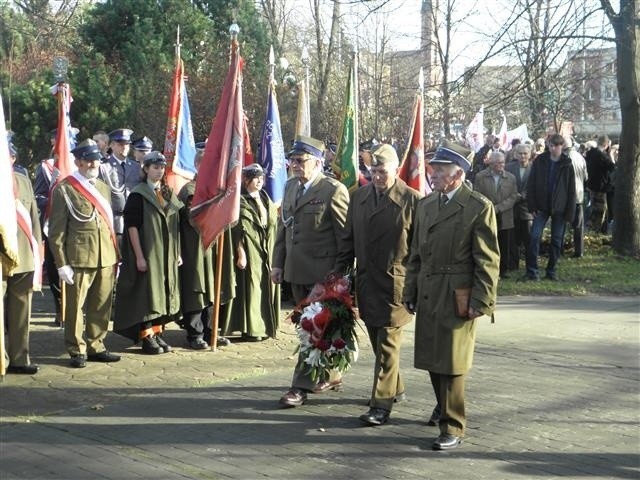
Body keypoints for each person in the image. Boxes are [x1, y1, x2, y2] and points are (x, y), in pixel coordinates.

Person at [402, 140, 500, 451]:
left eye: (439, 170)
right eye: (433, 168)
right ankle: (443, 409)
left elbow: (487, 260)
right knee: (433, 358)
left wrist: (481, 301)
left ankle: (453, 424)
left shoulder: (477, 207)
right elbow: (416, 254)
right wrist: (410, 289)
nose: (432, 174)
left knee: (453, 363)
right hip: (430, 291)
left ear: (457, 174)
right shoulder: (427, 205)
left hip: (458, 292)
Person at [333, 143, 421, 426]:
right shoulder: (358, 197)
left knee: (387, 347)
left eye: (382, 171)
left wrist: (416, 287)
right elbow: (347, 240)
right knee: (378, 342)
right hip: (367, 283)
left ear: (396, 169)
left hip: (397, 286)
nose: (377, 177)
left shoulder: (413, 201)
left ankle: (380, 405)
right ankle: (397, 388)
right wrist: (339, 276)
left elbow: (420, 250)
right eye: (373, 171)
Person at [272, 135, 350, 408]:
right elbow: (284, 227)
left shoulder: (333, 190)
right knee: (319, 329)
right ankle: (333, 373)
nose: (294, 164)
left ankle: (299, 387)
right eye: (292, 160)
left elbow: (344, 237)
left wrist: (339, 277)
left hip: (322, 273)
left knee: (311, 329)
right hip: (296, 269)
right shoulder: (291, 186)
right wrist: (278, 262)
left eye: (300, 160)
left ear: (317, 162)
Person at [47, 139, 121, 368]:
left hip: (105, 256)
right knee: (74, 306)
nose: (94, 163)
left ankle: (96, 345)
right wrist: (61, 263)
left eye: (96, 159)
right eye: (88, 160)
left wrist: (117, 255)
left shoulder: (102, 188)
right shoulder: (65, 189)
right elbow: (56, 231)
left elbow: (107, 224)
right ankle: (76, 348)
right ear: (78, 161)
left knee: (102, 304)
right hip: (78, 257)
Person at [114, 151, 182, 354]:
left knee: (162, 294)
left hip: (167, 254)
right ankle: (146, 336)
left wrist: (177, 252)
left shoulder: (167, 193)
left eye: (162, 167)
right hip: (148, 253)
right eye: (155, 167)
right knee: (147, 295)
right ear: (145, 169)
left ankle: (158, 333)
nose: (159, 171)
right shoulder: (138, 194)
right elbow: (132, 227)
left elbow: (174, 225)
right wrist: (140, 256)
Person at [177, 150, 230, 349]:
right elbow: (195, 218)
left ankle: (211, 330)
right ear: (200, 165)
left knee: (212, 288)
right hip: (195, 248)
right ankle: (195, 333)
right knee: (196, 289)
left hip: (211, 247)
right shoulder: (190, 189)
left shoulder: (215, 189)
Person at [221, 163, 280, 341]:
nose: (260, 182)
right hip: (250, 250)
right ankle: (252, 328)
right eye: (256, 178)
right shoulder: (239, 201)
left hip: (267, 250)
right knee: (252, 288)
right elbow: (235, 230)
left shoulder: (265, 197)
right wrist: (241, 253)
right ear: (246, 179)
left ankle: (266, 326)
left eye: (262, 178)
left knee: (267, 286)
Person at [4, 142, 42, 374]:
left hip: (24, 256)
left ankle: (19, 358)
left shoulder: (24, 182)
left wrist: (37, 251)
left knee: (21, 311)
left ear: (13, 159)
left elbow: (34, 220)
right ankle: (1, 360)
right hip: (1, 257)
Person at [524, 133, 576, 281]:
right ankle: (532, 271)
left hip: (560, 207)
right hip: (541, 206)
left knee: (556, 240)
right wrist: (532, 205)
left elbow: (571, 190)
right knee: (534, 237)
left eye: (556, 146)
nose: (553, 149)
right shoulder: (540, 160)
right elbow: (532, 184)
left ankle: (551, 271)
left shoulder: (567, 164)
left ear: (562, 146)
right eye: (551, 145)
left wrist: (569, 213)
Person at [473, 151, 518, 278]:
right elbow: (477, 194)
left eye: (503, 162)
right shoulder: (480, 177)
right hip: (487, 214)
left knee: (504, 243)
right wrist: (489, 207)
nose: (501, 165)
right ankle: (489, 268)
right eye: (498, 162)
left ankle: (503, 270)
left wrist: (498, 208)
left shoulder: (511, 177)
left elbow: (513, 196)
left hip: (504, 215)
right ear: (490, 163)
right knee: (489, 242)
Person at [99, 128, 138, 241]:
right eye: (121, 144)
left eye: (127, 144)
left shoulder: (136, 167)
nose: (124, 147)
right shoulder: (104, 167)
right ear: (112, 145)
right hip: (114, 220)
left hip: (134, 220)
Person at [506, 143, 533, 271]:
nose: (523, 156)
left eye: (525, 153)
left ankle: (530, 266)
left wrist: (522, 196)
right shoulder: (509, 168)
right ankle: (513, 265)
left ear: (530, 154)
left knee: (529, 239)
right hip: (512, 208)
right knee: (513, 240)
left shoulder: (535, 168)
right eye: (520, 153)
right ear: (515, 154)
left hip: (527, 210)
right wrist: (513, 196)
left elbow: (537, 186)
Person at [563, 136, 588, 257]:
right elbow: (586, 176)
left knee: (561, 224)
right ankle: (579, 251)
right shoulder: (580, 157)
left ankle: (559, 250)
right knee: (578, 226)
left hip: (566, 196)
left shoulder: (564, 158)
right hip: (579, 195)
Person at [585, 134, 615, 233]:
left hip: (592, 185)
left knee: (597, 209)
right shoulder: (602, 155)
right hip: (600, 187)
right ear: (606, 144)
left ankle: (601, 230)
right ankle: (593, 231)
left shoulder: (590, 153)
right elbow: (612, 167)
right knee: (599, 211)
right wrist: (611, 155)